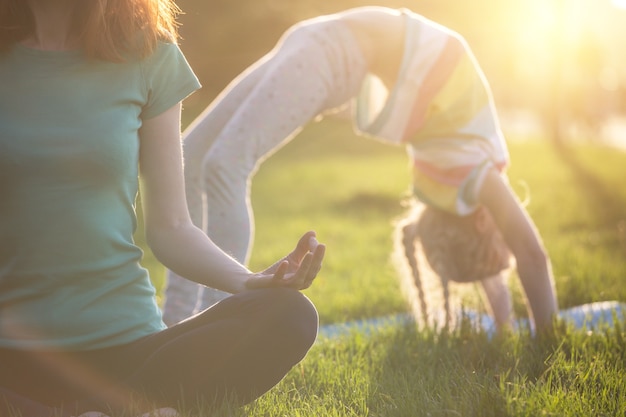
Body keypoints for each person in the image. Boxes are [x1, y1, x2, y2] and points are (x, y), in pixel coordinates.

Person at [0, 0, 325, 416]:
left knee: (287, 314)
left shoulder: (148, 53)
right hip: (11, 354)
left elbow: (171, 227)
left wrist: (246, 282)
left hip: (128, 349)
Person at [162, 6, 557, 333]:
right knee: (189, 155)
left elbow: (524, 254)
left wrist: (526, 330)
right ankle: (176, 323)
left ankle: (209, 327)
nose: (505, 231)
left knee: (225, 165)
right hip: (317, 38)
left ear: (484, 225)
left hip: (333, 53)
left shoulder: (471, 171)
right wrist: (528, 330)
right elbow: (522, 255)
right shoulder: (469, 177)